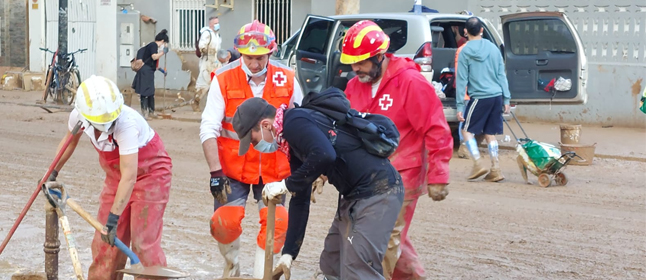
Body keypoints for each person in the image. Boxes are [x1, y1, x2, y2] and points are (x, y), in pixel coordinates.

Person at [232, 93, 405, 280]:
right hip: (355, 196)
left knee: (358, 269)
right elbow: (300, 199)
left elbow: (325, 154)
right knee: (332, 263)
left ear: (265, 125)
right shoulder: (293, 140)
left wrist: (285, 185)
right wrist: (289, 253)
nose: (255, 146)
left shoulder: (294, 122)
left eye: (254, 140)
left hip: (378, 191)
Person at [340, 20, 453, 280]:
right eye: (352, 62)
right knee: (389, 234)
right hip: (367, 177)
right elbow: (346, 131)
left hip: (403, 175)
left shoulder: (411, 82)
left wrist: (438, 176)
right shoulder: (354, 86)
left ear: (380, 56)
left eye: (361, 62)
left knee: (383, 235)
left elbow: (435, 129)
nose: (354, 68)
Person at [199, 19, 304, 279]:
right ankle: (232, 266)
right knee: (224, 223)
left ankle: (262, 274)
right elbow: (208, 128)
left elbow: (303, 123)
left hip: (274, 169)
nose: (255, 64)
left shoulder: (287, 78)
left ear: (271, 52)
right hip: (232, 168)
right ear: (240, 53)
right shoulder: (223, 78)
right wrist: (215, 173)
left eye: (260, 57)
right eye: (249, 57)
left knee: (277, 225)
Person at [47, 75, 173, 279]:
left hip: (150, 176)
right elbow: (70, 141)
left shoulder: (126, 123)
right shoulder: (78, 116)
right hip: (117, 177)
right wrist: (51, 173)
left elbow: (130, 176)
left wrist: (113, 219)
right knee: (104, 244)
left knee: (144, 243)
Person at [456, 16, 511, 182]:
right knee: (490, 133)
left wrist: (459, 105)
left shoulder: (465, 51)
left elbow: (461, 80)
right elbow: (501, 75)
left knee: (466, 130)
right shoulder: (493, 49)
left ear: (465, 32)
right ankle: (496, 169)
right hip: (496, 97)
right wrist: (506, 98)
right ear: (481, 30)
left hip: (479, 97)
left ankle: (478, 163)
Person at [132, 29, 169, 119]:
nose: (163, 46)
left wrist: (161, 70)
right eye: (165, 44)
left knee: (151, 92)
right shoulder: (153, 45)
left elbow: (152, 63)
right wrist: (163, 52)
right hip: (145, 72)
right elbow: (154, 57)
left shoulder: (151, 46)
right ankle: (145, 113)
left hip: (148, 71)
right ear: (163, 41)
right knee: (145, 92)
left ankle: (151, 112)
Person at [193, 16, 223, 112]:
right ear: (210, 24)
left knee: (215, 84)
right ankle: (196, 102)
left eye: (217, 22)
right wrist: (207, 51)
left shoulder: (217, 35)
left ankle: (211, 105)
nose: (217, 25)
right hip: (207, 62)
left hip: (216, 62)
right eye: (215, 23)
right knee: (203, 83)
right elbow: (202, 46)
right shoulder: (207, 33)